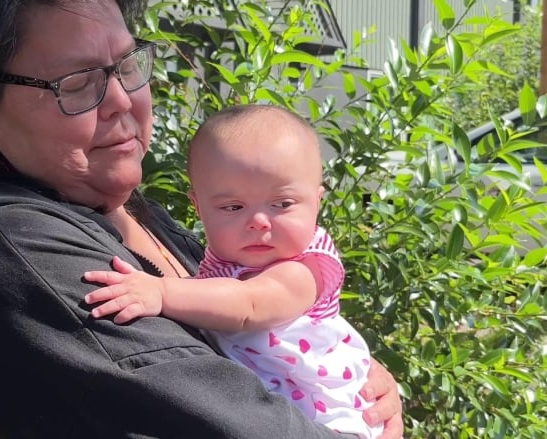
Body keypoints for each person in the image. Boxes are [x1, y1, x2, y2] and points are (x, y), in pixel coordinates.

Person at [0, 1, 404, 437]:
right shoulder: (7, 251)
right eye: (75, 83)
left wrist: (349, 377)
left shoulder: (134, 215)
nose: (121, 100)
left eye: (126, 66)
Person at [84, 104, 382, 438]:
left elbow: (248, 305)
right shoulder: (226, 262)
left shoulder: (305, 269)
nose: (258, 221)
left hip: (326, 421)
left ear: (317, 201)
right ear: (198, 207)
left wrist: (161, 292)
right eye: (233, 207)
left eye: (282, 204)